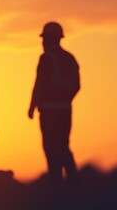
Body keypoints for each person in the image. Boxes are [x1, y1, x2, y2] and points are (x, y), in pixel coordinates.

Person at [28, 21, 80, 184]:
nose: (42, 42)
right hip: (65, 110)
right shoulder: (69, 58)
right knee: (63, 146)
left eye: (44, 39)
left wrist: (32, 106)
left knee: (51, 147)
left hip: (49, 112)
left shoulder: (46, 58)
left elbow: (39, 84)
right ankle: (73, 180)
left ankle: (56, 182)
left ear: (50, 39)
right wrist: (65, 100)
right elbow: (76, 85)